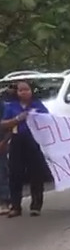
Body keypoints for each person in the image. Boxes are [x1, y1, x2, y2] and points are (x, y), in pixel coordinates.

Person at [0, 81, 50, 217]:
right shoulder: (12, 106)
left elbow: (48, 120)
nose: (24, 92)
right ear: (17, 93)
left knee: (36, 173)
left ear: (31, 91)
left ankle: (36, 206)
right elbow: (3, 124)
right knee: (15, 174)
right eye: (21, 90)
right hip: (17, 140)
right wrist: (17, 119)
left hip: (34, 141)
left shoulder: (37, 105)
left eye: (26, 89)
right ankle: (16, 206)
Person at [0, 85, 15, 214]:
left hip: (1, 143)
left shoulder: (3, 107)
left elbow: (10, 125)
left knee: (2, 173)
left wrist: (4, 141)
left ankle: (5, 201)